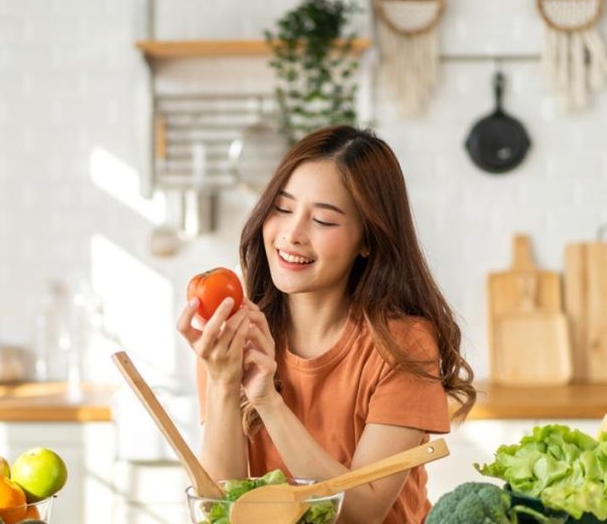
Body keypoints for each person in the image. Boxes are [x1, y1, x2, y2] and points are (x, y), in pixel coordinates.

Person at [177, 125, 475, 524]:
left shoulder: (403, 345)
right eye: (282, 209)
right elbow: (220, 509)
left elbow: (361, 514)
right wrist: (222, 381)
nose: (292, 234)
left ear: (368, 240)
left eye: (323, 220)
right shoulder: (235, 336)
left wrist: (267, 399)